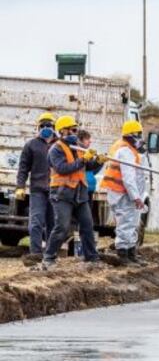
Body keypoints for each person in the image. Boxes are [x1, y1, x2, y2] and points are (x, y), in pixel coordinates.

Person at [39, 116, 102, 270]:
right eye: (73, 130)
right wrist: (83, 160)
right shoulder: (56, 149)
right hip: (62, 194)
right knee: (62, 227)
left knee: (87, 226)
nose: (76, 132)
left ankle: (92, 258)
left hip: (80, 193)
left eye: (76, 129)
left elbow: (86, 167)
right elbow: (62, 168)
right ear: (63, 131)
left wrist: (98, 161)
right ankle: (49, 258)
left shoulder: (78, 148)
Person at [99, 120, 147, 266]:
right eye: (138, 134)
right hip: (122, 194)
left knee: (132, 223)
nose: (141, 138)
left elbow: (136, 174)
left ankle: (132, 253)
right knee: (125, 224)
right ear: (131, 135)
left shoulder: (130, 150)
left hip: (125, 193)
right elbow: (128, 178)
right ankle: (123, 255)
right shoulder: (125, 151)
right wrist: (136, 197)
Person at [16, 112, 57, 256]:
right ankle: (35, 254)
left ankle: (51, 254)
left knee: (54, 224)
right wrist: (20, 186)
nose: (46, 128)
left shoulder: (59, 145)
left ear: (54, 127)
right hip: (37, 190)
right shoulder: (31, 145)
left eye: (49, 125)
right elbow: (23, 168)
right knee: (36, 222)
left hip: (56, 189)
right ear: (38, 127)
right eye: (43, 125)